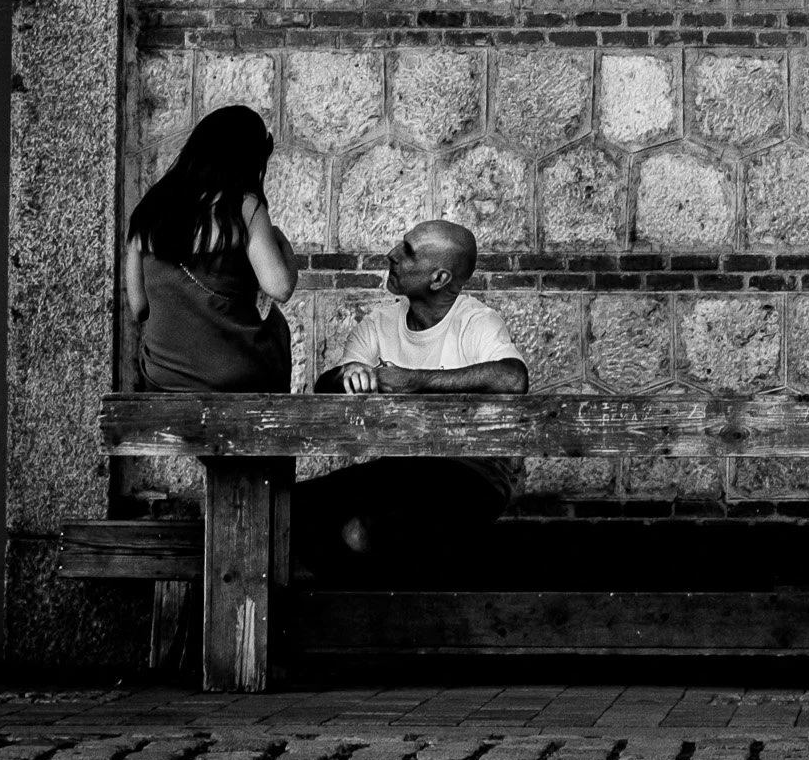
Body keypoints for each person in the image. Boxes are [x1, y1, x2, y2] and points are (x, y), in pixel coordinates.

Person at [298, 219, 528, 577]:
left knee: (363, 533)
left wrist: (415, 382)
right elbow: (325, 387)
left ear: (439, 279)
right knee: (290, 509)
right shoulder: (379, 323)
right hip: (402, 470)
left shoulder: (477, 321)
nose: (391, 255)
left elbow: (513, 378)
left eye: (406, 252)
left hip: (473, 476)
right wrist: (348, 375)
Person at [124, 105, 295, 392]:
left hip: (162, 380)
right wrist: (282, 243)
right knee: (276, 327)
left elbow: (139, 308)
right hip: (234, 377)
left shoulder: (148, 212)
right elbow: (280, 288)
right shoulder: (244, 207)